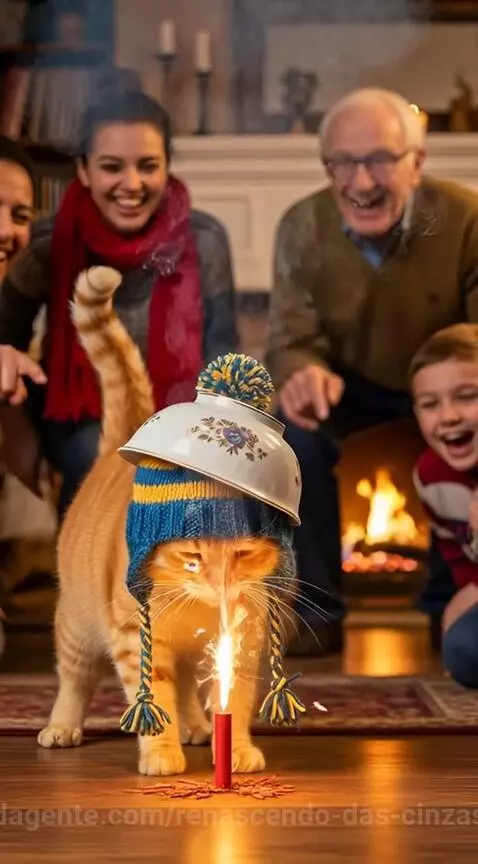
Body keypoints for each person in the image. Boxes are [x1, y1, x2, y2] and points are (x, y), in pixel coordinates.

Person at [265, 87, 478, 656]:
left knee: (469, 432)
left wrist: (447, 396)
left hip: (445, 382)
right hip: (348, 385)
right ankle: (316, 613)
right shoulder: (300, 226)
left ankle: (448, 607)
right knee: (290, 429)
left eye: (381, 159)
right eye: (344, 163)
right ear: (327, 166)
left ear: (417, 163)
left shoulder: (464, 219)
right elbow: (289, 339)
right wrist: (304, 372)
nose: (361, 182)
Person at [0, 88, 238, 519]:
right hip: (79, 417)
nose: (131, 184)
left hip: (183, 417)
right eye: (112, 167)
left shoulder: (206, 240)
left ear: (167, 168)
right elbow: (4, 341)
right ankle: (85, 579)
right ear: (84, 171)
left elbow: (223, 353)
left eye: (148, 166)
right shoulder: (46, 245)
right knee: (101, 459)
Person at [411, 324, 478, 687]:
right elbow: (460, 557)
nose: (448, 416)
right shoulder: (432, 476)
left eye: (467, 397)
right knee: (462, 647)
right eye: (430, 404)